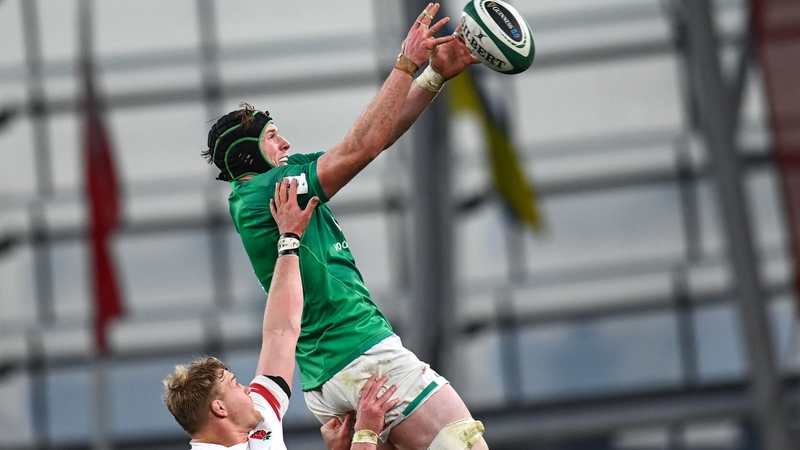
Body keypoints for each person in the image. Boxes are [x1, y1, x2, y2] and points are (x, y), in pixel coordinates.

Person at [203, 3, 487, 449]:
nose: (286, 142)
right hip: (356, 348)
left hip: (330, 372)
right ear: (247, 156)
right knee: (463, 441)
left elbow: (380, 133)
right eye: (272, 136)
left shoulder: (273, 183)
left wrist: (432, 78)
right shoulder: (269, 190)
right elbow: (364, 147)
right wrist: (407, 63)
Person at [163, 179, 400, 450]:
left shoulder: (256, 420)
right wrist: (365, 436)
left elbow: (281, 333)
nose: (248, 389)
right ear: (219, 408)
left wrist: (289, 239)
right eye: (235, 385)